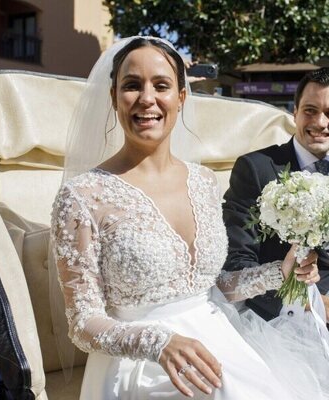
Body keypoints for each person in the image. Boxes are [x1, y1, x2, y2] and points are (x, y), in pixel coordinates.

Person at [50, 37, 329, 399]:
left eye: (161, 86)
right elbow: (82, 324)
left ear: (180, 98)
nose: (147, 98)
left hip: (221, 340)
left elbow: (212, 288)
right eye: (132, 86)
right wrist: (159, 343)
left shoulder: (202, 181)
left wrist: (280, 271)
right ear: (114, 97)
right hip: (142, 364)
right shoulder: (81, 197)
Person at [223, 68, 329, 322]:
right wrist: (305, 304)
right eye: (310, 111)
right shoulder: (255, 169)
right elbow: (236, 262)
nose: (320, 123)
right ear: (294, 113)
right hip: (280, 320)